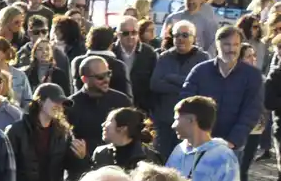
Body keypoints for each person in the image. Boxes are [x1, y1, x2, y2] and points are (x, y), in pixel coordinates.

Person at [180, 24, 264, 153]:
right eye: (227, 44)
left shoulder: (252, 76)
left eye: (236, 45)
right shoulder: (200, 71)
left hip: (231, 147)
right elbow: (186, 103)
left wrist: (232, 141)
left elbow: (251, 111)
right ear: (217, 45)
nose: (231, 49)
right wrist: (196, 135)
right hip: (199, 143)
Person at [5, 84, 75, 181]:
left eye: (62, 103)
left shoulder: (63, 132)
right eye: (55, 101)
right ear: (40, 101)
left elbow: (71, 167)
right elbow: (6, 168)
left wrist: (80, 157)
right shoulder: (16, 131)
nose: (59, 106)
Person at [65, 56, 133, 181]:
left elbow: (133, 136)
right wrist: (81, 157)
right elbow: (65, 145)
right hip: (81, 177)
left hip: (117, 173)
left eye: (108, 74)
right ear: (84, 79)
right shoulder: (71, 106)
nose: (106, 80)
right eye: (100, 77)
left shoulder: (121, 100)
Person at [150, 21, 208, 156]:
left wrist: (171, 77)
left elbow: (202, 86)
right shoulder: (165, 57)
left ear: (194, 38)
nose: (180, 39)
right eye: (177, 35)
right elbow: (155, 84)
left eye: (185, 35)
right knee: (163, 157)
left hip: (191, 121)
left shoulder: (203, 58)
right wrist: (185, 85)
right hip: (165, 119)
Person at [90, 107, 160, 171]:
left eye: (109, 121)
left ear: (123, 128)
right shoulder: (101, 154)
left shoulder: (147, 158)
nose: (103, 124)